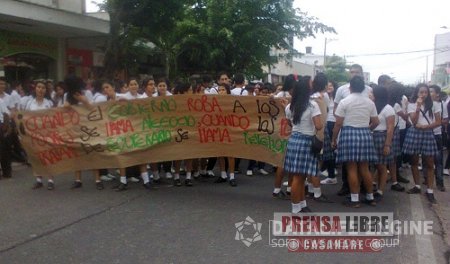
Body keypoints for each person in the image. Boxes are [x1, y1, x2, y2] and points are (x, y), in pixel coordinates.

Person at [332, 75, 379, 208]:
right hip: (365, 134)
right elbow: (376, 121)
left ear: (350, 87)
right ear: (363, 88)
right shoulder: (370, 102)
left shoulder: (344, 102)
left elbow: (338, 124)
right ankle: (370, 197)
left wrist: (334, 139)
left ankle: (354, 199)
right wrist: (367, 129)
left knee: (351, 168)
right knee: (365, 168)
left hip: (348, 134)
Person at [284, 77, 322, 213]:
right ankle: (296, 208)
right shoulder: (312, 105)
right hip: (306, 142)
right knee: (299, 178)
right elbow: (318, 125)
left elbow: (289, 122)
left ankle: (302, 204)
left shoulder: (289, 106)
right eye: (310, 84)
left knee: (299, 177)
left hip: (294, 140)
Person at [64, 76, 104, 190]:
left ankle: (97, 179)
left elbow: (93, 109)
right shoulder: (67, 95)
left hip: (88, 127)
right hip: (75, 127)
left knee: (92, 153)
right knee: (77, 154)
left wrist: (84, 101)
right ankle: (77, 180)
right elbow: (62, 110)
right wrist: (67, 105)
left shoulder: (87, 93)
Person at [403, 84, 440, 204]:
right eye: (421, 92)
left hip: (428, 132)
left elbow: (439, 122)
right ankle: (417, 186)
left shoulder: (434, 104)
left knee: (429, 162)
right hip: (414, 132)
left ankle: (430, 190)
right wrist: (418, 107)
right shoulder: (411, 105)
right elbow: (413, 121)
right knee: (414, 161)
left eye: (426, 92)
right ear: (417, 93)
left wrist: (426, 126)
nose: (423, 94)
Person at [307, 73, 332, 203]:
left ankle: (311, 189)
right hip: (321, 131)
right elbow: (326, 112)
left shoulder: (309, 97)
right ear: (324, 84)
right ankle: (316, 192)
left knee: (312, 161)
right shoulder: (324, 97)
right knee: (317, 163)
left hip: (310, 131)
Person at [27, 81, 56, 189]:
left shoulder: (49, 103)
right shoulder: (30, 103)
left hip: (47, 134)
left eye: (43, 87)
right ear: (35, 89)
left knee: (48, 157)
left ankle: (50, 180)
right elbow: (25, 118)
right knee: (36, 157)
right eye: (39, 87)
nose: (40, 89)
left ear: (45, 90)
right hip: (33, 135)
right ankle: (38, 180)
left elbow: (54, 118)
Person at [371, 85, 395, 201]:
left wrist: (387, 144)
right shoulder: (373, 106)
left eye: (372, 93)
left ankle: (380, 191)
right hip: (372, 136)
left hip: (382, 136)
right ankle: (374, 185)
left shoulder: (388, 108)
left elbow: (390, 128)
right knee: (377, 165)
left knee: (382, 166)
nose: (370, 95)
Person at [424, 85, 447, 192]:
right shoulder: (423, 104)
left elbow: (445, 120)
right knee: (425, 159)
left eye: (431, 91)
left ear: (437, 94)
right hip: (425, 135)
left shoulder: (442, 105)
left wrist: (431, 125)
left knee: (438, 161)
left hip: (436, 135)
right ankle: (427, 180)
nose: (429, 93)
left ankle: (440, 182)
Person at [214, 83, 238, 187]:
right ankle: (223, 174)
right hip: (218, 131)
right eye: (219, 90)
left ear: (227, 91)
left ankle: (232, 176)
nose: (221, 92)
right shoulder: (213, 102)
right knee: (220, 153)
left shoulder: (233, 102)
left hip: (230, 130)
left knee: (230, 154)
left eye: (223, 89)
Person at [321, 81, 338, 185]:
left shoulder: (338, 97)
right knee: (329, 149)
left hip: (336, 123)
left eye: (331, 85)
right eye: (327, 85)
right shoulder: (325, 96)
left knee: (331, 149)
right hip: (327, 122)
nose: (329, 87)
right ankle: (329, 171)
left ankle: (330, 173)